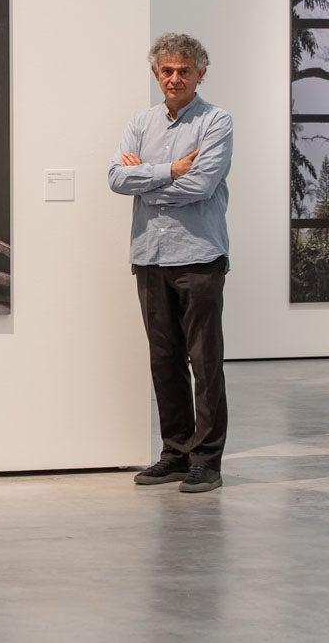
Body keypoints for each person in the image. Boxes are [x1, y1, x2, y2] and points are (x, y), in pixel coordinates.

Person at [108, 33, 233, 493]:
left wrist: (145, 181)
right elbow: (115, 178)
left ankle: (208, 461)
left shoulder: (216, 122)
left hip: (199, 255)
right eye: (167, 70)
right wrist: (168, 170)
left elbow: (201, 186)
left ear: (201, 73)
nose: (175, 78)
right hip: (150, 256)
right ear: (156, 74)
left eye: (184, 70)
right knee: (164, 360)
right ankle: (175, 453)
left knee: (204, 362)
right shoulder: (140, 123)